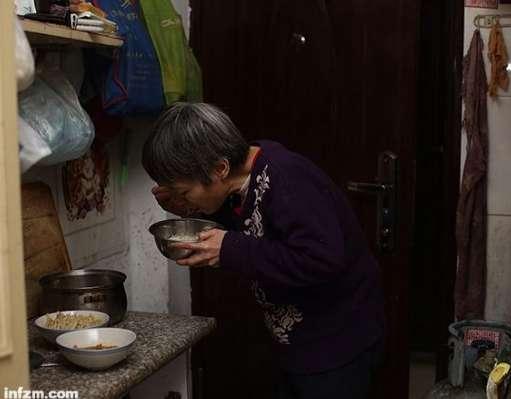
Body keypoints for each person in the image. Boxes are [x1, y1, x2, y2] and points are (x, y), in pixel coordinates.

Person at [142, 102, 385, 399]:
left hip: (338, 345)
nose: (183, 198)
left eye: (184, 191)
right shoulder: (239, 181)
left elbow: (321, 258)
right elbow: (258, 228)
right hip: (297, 344)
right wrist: (184, 205)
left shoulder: (288, 178)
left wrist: (230, 249)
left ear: (220, 168)